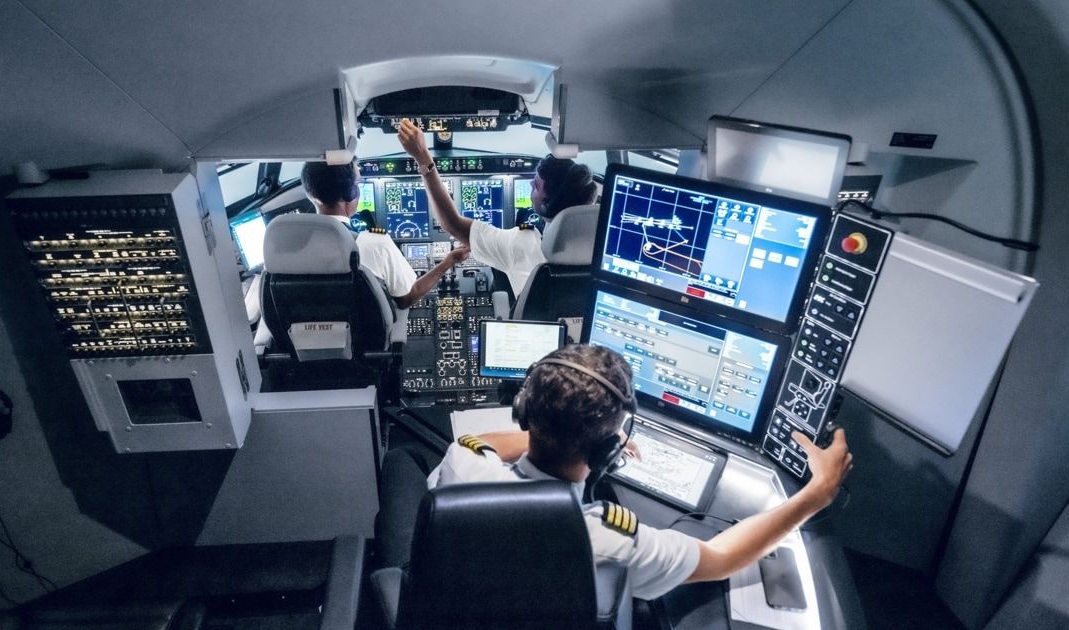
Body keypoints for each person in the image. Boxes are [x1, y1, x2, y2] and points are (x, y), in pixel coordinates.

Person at [425, 344, 853, 600]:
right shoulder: (611, 539)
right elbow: (723, 559)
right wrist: (819, 492)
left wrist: (552, 429)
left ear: (522, 413)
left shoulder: (463, 468)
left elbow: (486, 444)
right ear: (611, 450)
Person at [396, 119, 597, 292]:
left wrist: (423, 157)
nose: (529, 184)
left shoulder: (521, 245)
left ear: (547, 205)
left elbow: (452, 224)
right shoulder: (604, 254)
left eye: (536, 186)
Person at [301, 160, 468, 309]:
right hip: (363, 342)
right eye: (357, 184)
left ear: (310, 193)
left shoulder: (288, 245)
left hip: (300, 341)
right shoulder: (374, 243)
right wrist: (449, 261)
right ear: (350, 193)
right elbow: (406, 298)